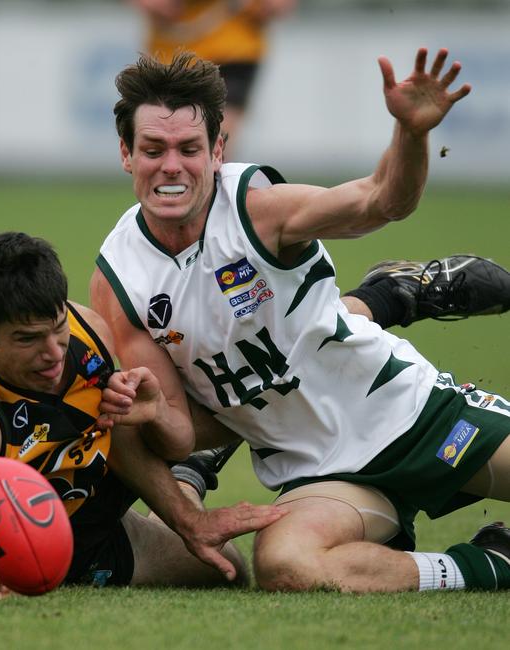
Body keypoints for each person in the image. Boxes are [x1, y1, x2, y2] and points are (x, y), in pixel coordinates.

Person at [91, 49, 510, 594]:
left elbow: (381, 201)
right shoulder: (118, 278)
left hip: (411, 415)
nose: (171, 165)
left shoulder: (254, 210)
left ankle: (394, 295)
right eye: (153, 149)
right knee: (286, 565)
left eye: (189, 148)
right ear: (126, 153)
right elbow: (176, 432)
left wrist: (410, 134)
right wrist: (148, 412)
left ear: (217, 150)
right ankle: (491, 564)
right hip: (316, 474)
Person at [0, 231, 286, 596]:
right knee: (224, 569)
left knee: (226, 569)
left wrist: (189, 522)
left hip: (94, 500)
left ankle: (188, 474)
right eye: (27, 339)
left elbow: (114, 427)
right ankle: (189, 473)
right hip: (33, 543)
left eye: (56, 328)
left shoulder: (88, 331)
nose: (52, 352)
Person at [128, 0, 298, 159]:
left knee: (216, 138)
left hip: (233, 51)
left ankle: (214, 184)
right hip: (172, 51)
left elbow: (279, 6)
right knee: (167, 134)